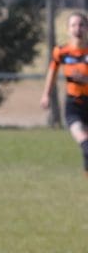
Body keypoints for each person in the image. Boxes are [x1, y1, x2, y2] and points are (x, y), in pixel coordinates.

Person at [40, 10, 88, 177]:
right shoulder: (61, 52)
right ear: (68, 29)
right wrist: (45, 94)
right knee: (84, 141)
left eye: (81, 25)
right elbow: (52, 72)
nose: (78, 28)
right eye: (73, 25)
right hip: (73, 104)